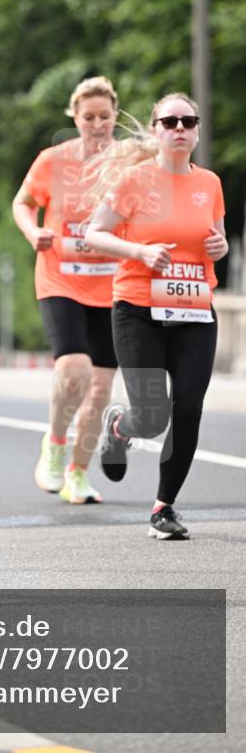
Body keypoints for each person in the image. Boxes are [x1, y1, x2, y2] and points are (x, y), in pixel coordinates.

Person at [85, 92, 228, 540]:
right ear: (155, 130)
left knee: (188, 408)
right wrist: (139, 251)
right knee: (151, 415)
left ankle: (163, 507)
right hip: (138, 310)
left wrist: (219, 249)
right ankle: (119, 427)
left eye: (188, 121)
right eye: (170, 122)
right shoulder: (134, 181)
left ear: (198, 129)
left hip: (194, 310)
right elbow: (94, 233)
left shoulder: (210, 183)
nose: (180, 128)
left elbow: (216, 239)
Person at [12, 76, 120, 504]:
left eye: (105, 116)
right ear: (74, 118)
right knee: (74, 370)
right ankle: (55, 444)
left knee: (100, 387)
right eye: (88, 117)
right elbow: (23, 201)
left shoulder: (128, 163)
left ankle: (78, 472)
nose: (97, 124)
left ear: (115, 117)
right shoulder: (52, 160)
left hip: (113, 284)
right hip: (61, 278)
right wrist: (31, 230)